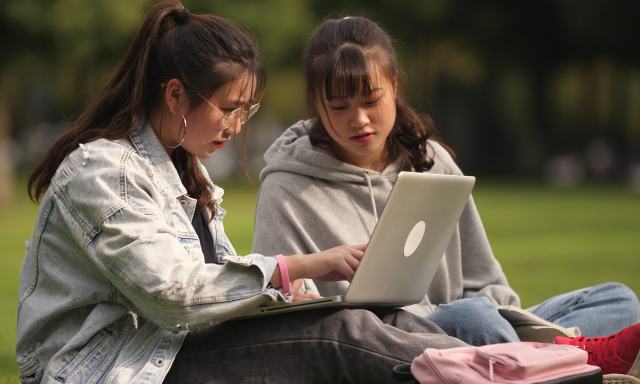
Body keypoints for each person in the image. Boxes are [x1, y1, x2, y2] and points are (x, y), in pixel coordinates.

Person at [15, 3, 481, 383]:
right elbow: (173, 296)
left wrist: (284, 301)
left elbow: (212, 294)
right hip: (111, 370)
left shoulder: (185, 172)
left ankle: (506, 365)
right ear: (176, 96)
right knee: (341, 333)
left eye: (247, 109)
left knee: (383, 321)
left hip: (168, 352)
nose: (238, 126)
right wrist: (294, 268)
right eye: (230, 108)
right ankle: (498, 373)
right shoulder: (101, 172)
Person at [252, 16, 640, 379]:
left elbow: (485, 282)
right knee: (473, 318)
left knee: (618, 301)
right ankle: (555, 361)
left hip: (472, 332)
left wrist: (514, 322)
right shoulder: (288, 186)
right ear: (317, 107)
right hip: (385, 350)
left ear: (394, 85)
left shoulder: (432, 161)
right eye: (339, 107)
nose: (358, 119)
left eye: (370, 100)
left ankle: (534, 359)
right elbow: (284, 322)